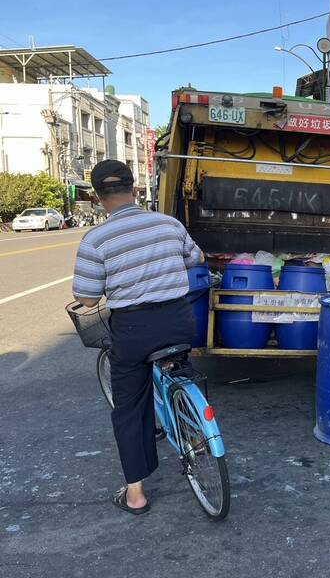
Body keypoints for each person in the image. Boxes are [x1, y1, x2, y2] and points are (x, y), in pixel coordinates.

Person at [72, 160, 205, 516]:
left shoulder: (95, 239)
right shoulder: (169, 224)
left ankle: (135, 494)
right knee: (179, 367)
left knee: (130, 407)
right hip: (179, 321)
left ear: (99, 197)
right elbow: (196, 258)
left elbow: (87, 298)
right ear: (134, 189)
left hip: (133, 330)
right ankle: (196, 434)